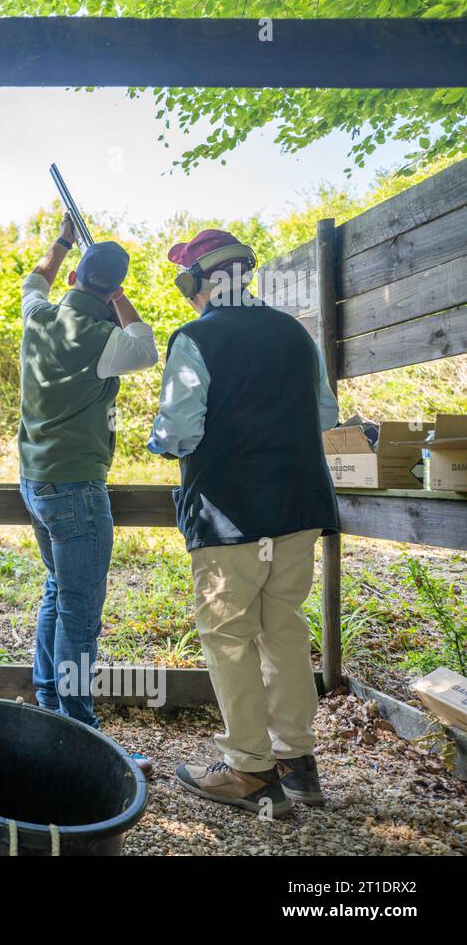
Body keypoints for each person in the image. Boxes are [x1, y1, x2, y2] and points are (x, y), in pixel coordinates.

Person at [148, 228, 340, 817]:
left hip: (229, 515)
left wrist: (156, 439)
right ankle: (296, 762)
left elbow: (178, 433)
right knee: (281, 627)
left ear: (200, 281)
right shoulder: (294, 333)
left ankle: (249, 770)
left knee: (229, 638)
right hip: (298, 508)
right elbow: (325, 413)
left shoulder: (195, 338)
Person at [19, 215, 158, 730]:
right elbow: (145, 346)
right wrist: (118, 298)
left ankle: (50, 704)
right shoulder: (105, 338)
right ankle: (78, 730)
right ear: (112, 291)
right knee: (79, 615)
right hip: (77, 488)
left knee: (58, 589)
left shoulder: (38, 317)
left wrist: (62, 242)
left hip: (34, 482)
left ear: (73, 279)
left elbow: (34, 281)